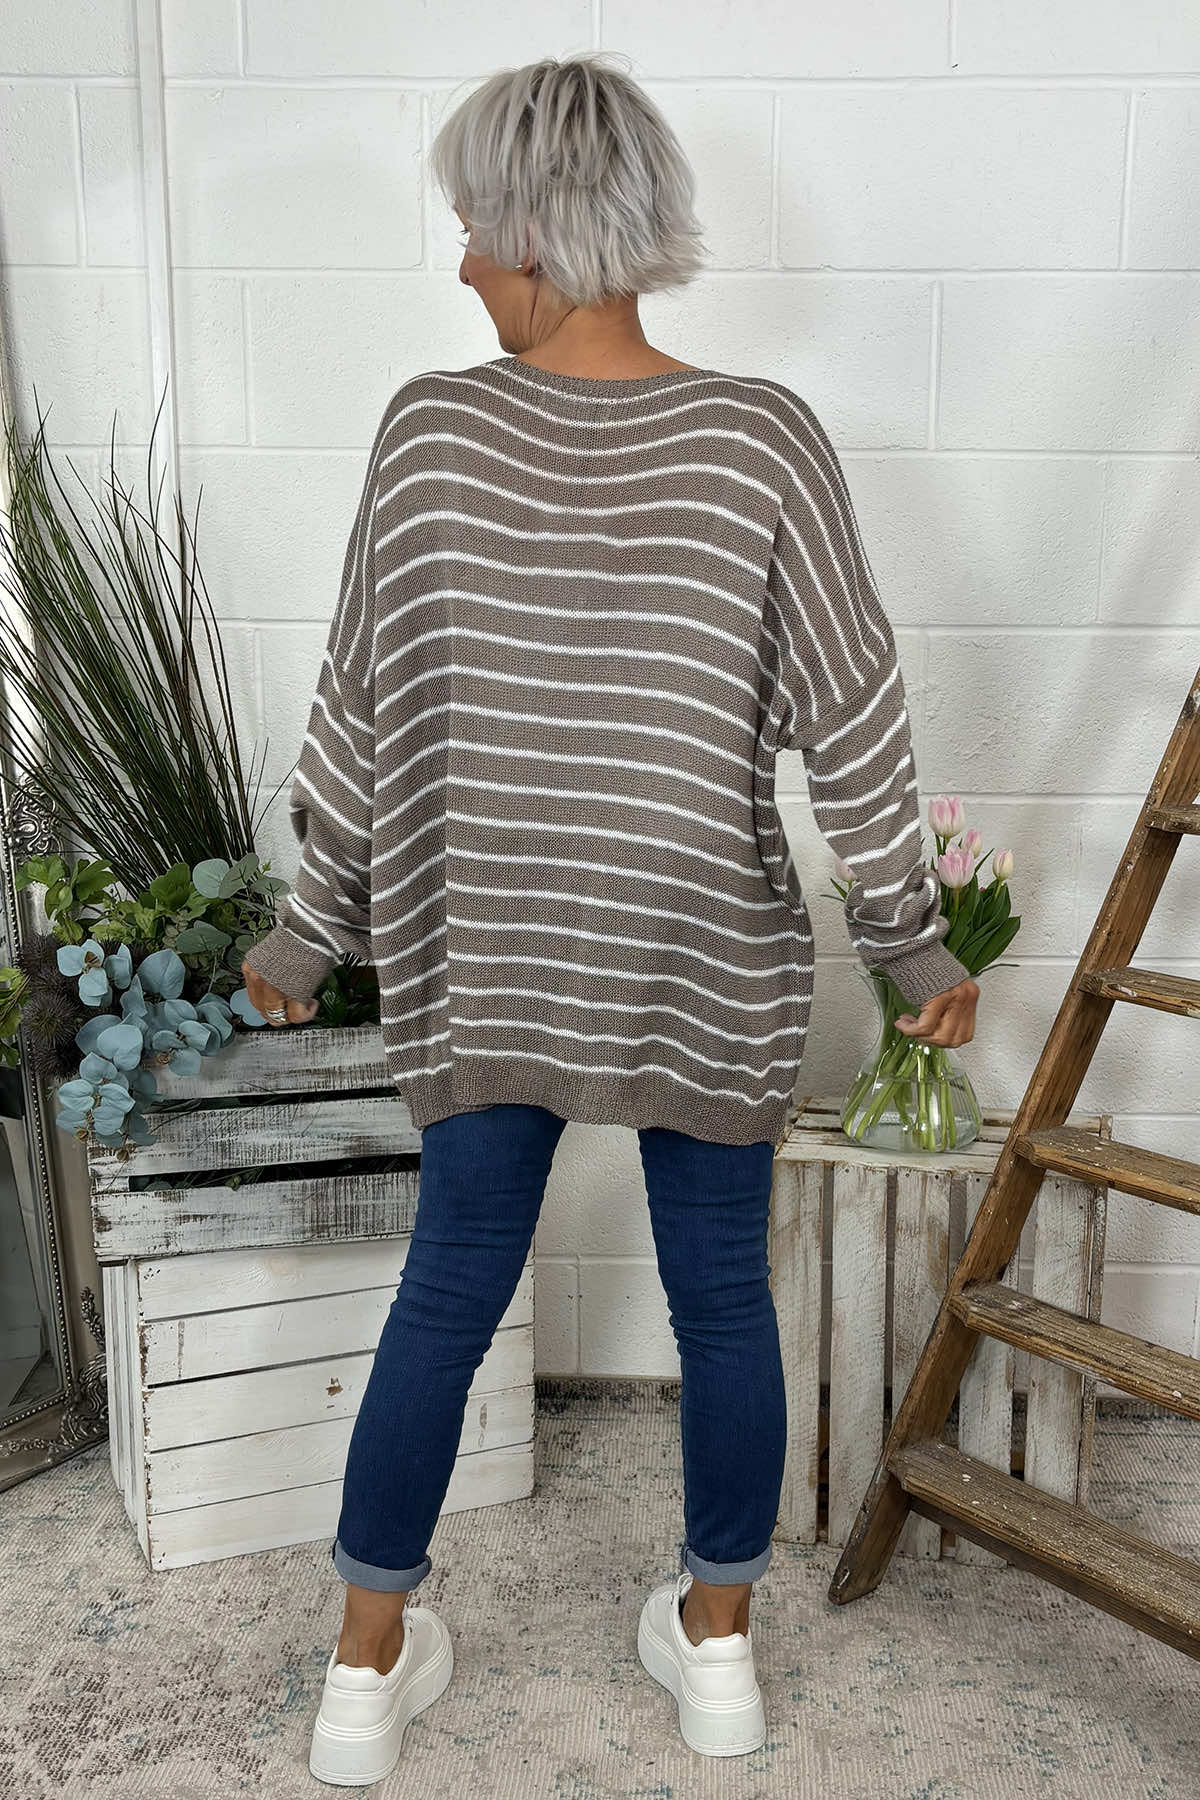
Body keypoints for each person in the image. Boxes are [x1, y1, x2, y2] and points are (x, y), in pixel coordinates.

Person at [241, 51, 979, 1785]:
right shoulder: (763, 442)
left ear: (536, 229)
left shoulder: (431, 433)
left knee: (448, 1290)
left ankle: (363, 1674)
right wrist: (907, 938)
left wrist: (309, 921)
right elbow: (856, 711)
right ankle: (717, 1654)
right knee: (722, 1300)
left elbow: (362, 703)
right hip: (695, 948)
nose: (460, 261)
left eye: (471, 226)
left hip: (486, 948)